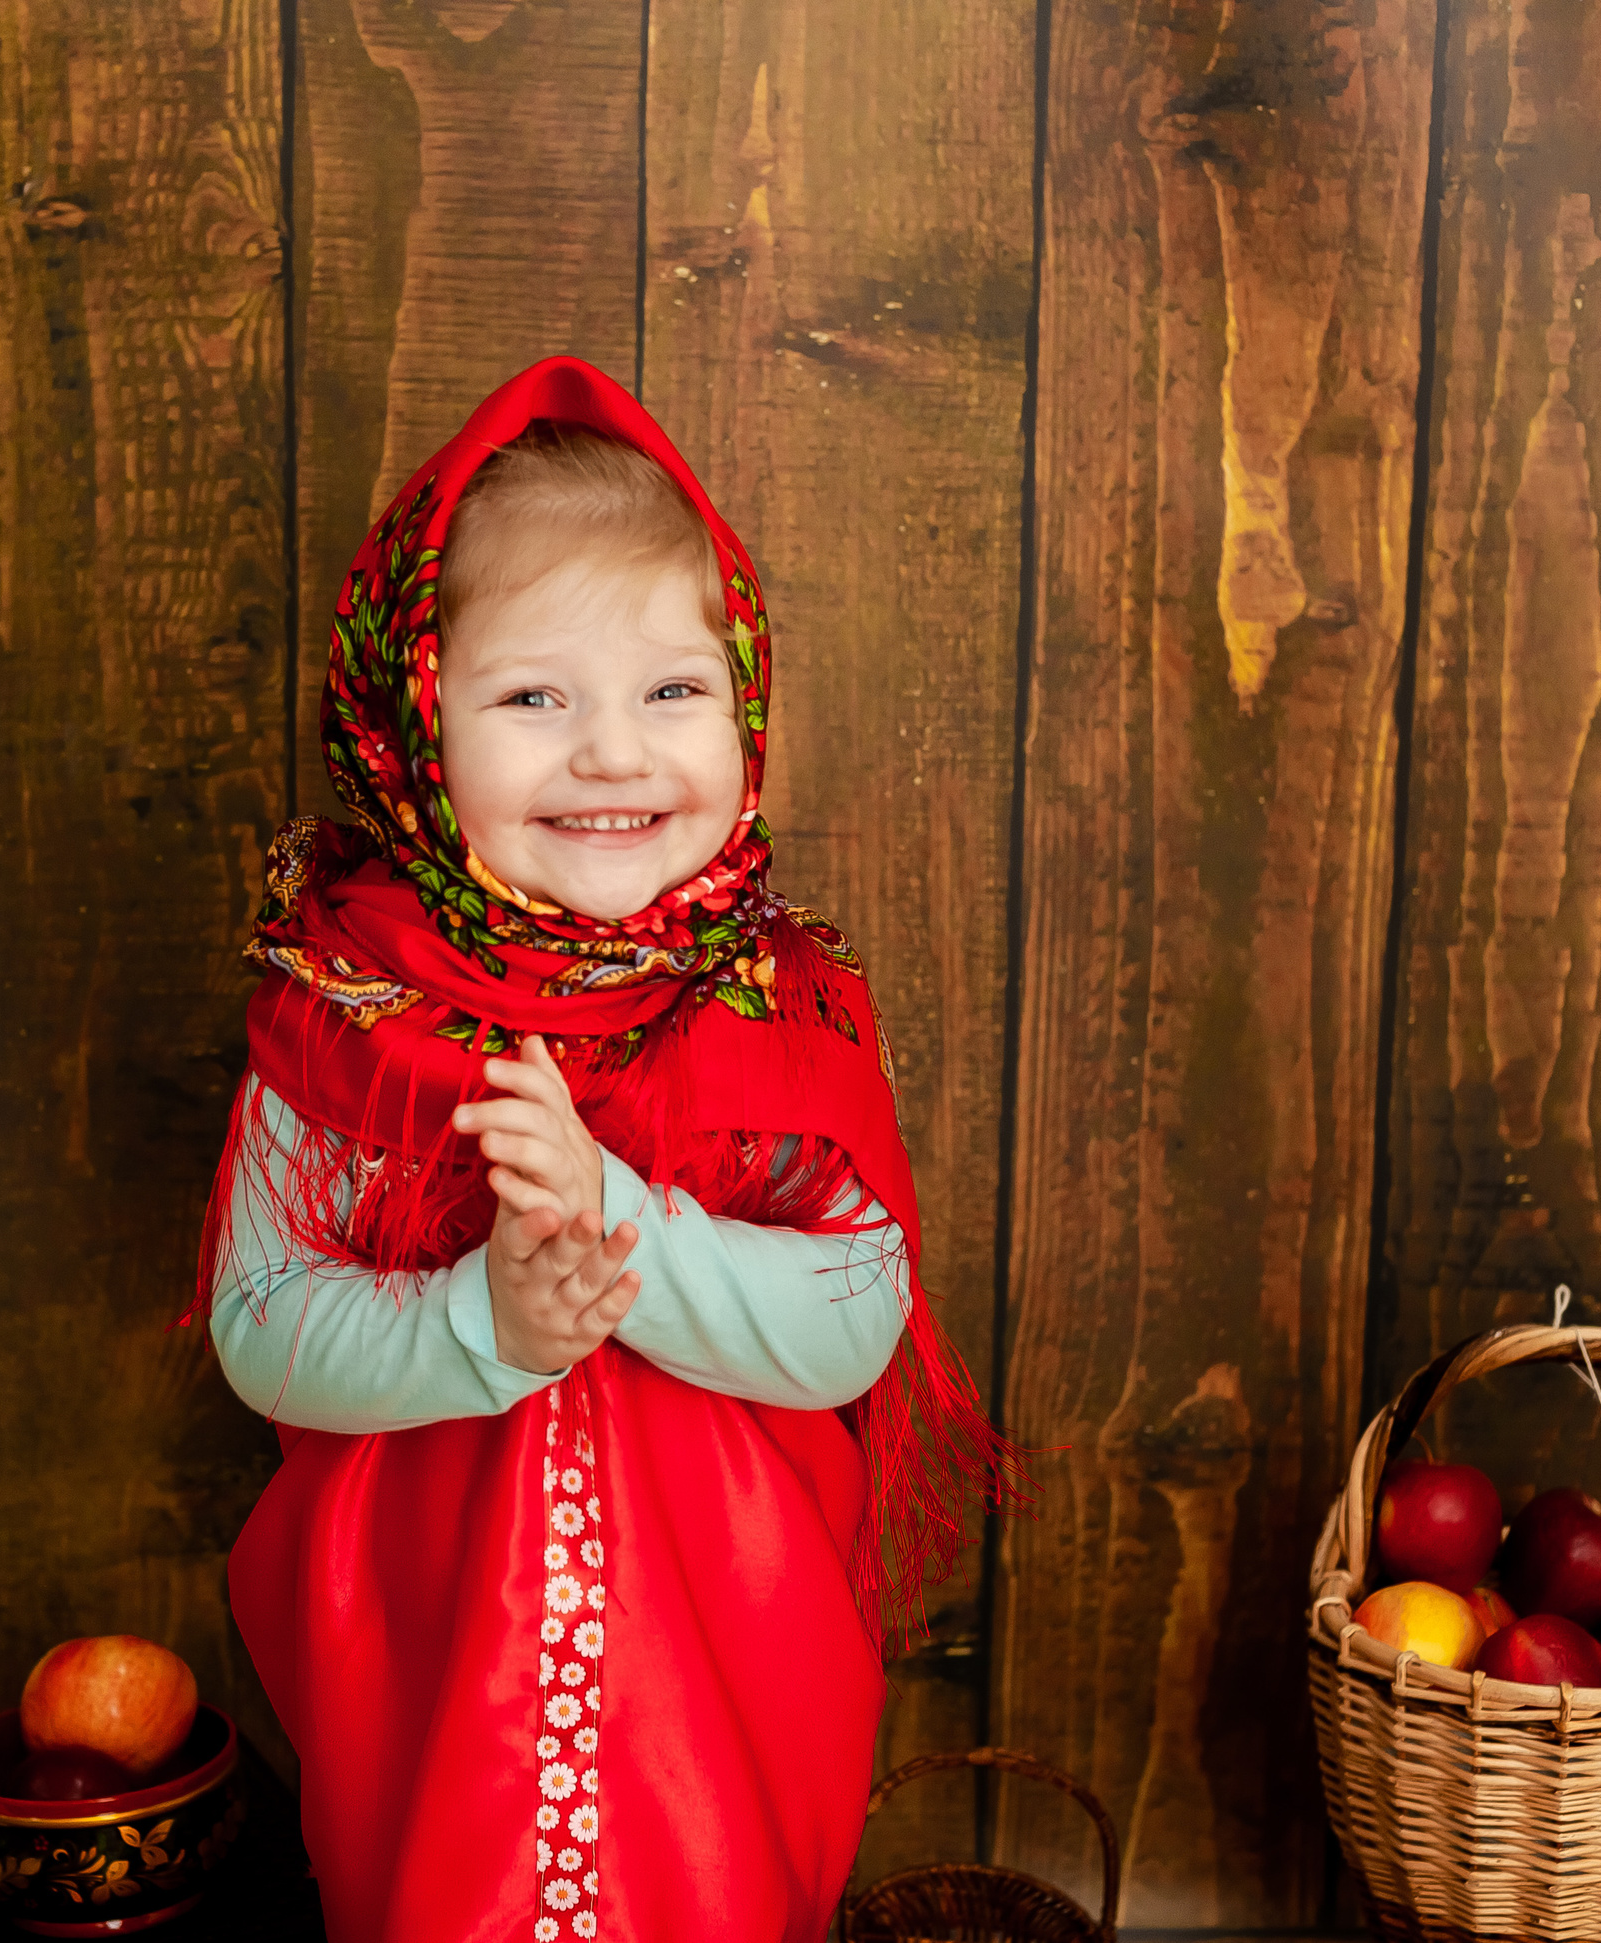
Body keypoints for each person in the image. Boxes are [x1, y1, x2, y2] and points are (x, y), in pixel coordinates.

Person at [191, 356, 1017, 1941]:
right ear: (411, 725)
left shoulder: (784, 1013)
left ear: (746, 699)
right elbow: (262, 1323)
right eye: (533, 698)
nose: (617, 755)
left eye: (673, 691)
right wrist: (483, 1326)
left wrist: (625, 1228)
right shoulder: (343, 1014)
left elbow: (854, 1319)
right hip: (430, 1660)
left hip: (731, 1656)